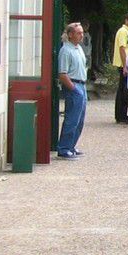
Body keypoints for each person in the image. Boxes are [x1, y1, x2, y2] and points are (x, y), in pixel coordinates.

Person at [56, 22, 88, 159]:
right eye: (78, 33)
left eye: (82, 32)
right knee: (71, 119)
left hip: (82, 84)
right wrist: (74, 89)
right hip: (74, 85)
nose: (82, 35)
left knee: (80, 120)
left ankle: (71, 146)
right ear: (70, 35)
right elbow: (62, 74)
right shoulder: (66, 51)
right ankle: (63, 148)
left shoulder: (78, 48)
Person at [113, 12, 128, 124]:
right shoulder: (123, 31)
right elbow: (122, 48)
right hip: (124, 65)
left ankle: (121, 115)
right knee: (124, 91)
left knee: (123, 90)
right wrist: (125, 66)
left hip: (126, 64)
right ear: (126, 20)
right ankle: (121, 116)